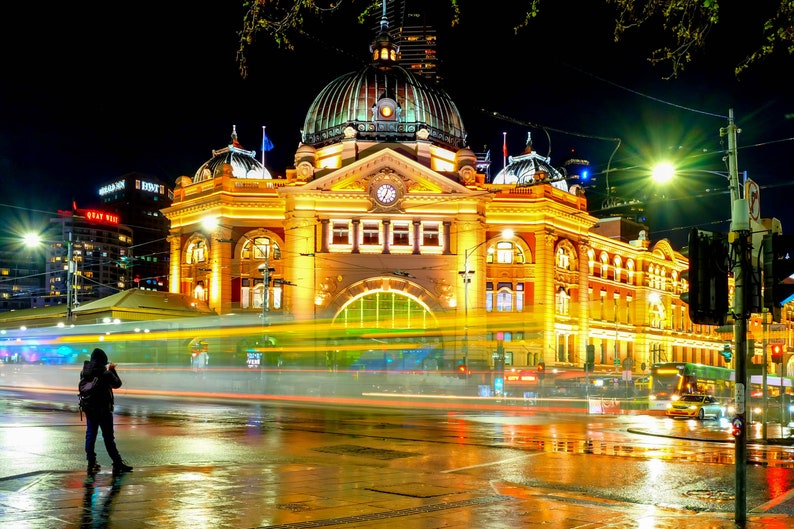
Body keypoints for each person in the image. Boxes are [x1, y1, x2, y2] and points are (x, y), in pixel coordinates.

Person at [80, 348, 133, 475]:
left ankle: (91, 461)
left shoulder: (84, 372)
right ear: (103, 360)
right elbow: (117, 384)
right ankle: (117, 463)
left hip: (90, 408)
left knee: (91, 434)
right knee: (108, 438)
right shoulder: (106, 373)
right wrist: (112, 369)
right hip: (104, 410)